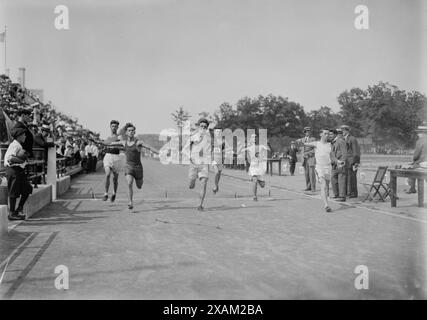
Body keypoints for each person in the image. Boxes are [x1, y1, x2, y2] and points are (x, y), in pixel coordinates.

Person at [4, 127, 33, 220]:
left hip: (18, 171)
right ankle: (12, 214)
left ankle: (18, 210)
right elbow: (10, 158)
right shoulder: (15, 145)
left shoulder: (18, 145)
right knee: (13, 192)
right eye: (23, 135)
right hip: (13, 170)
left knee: (27, 189)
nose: (25, 136)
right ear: (19, 136)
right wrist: (21, 160)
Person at [183, 118, 212, 210]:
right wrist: (189, 157)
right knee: (191, 184)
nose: (203, 127)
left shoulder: (209, 137)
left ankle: (200, 205)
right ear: (199, 126)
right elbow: (185, 148)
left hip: (204, 164)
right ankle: (192, 181)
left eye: (205, 126)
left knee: (204, 183)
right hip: (194, 162)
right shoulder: (193, 135)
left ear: (207, 128)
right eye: (201, 126)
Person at [304, 129, 333, 212]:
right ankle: (326, 205)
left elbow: (332, 156)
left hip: (328, 167)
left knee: (326, 186)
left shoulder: (329, 145)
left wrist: (338, 162)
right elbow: (305, 143)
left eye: (328, 134)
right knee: (323, 185)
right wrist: (299, 142)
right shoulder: (316, 143)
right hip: (320, 167)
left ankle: (326, 200)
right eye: (325, 133)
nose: (327, 135)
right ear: (321, 134)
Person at [239, 133, 270, 201]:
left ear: (257, 139)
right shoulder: (249, 147)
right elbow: (240, 151)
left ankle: (259, 181)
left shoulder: (261, 146)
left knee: (262, 185)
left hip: (260, 167)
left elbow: (269, 150)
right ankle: (254, 196)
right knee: (254, 181)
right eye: (253, 137)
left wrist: (267, 146)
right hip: (253, 166)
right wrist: (242, 147)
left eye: (256, 137)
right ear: (251, 139)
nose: (255, 139)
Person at [102, 120, 123, 202]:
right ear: (110, 127)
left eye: (115, 126)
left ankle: (114, 193)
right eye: (112, 126)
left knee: (115, 179)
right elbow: (104, 145)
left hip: (116, 158)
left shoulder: (119, 137)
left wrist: (115, 145)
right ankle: (106, 194)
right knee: (107, 175)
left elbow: (122, 146)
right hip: (108, 156)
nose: (114, 127)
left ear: (117, 127)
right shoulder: (107, 137)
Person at [406, 123, 427, 193]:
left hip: (422, 164)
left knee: (411, 170)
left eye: (418, 132)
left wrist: (414, 161)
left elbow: (416, 156)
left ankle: (412, 187)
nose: (417, 134)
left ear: (422, 133)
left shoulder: (420, 141)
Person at [341, 125, 361, 198]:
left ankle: (353, 193)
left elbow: (355, 151)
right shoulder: (343, 139)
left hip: (352, 161)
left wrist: (355, 162)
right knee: (346, 178)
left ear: (347, 131)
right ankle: (347, 192)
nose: (342, 132)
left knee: (352, 178)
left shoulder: (352, 139)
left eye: (343, 130)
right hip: (346, 162)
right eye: (342, 130)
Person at [329, 129, 347, 201]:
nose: (330, 136)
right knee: (333, 179)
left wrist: (342, 162)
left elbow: (344, 153)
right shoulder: (332, 142)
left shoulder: (340, 141)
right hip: (334, 164)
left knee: (341, 179)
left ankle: (342, 196)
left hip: (340, 163)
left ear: (335, 134)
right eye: (329, 135)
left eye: (331, 134)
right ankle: (336, 194)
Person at [296, 127, 316, 191]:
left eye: (309, 131)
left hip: (310, 158)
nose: (307, 133)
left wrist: (308, 153)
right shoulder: (302, 139)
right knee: (306, 174)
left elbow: (315, 149)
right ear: (304, 133)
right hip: (304, 159)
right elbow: (299, 148)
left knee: (311, 174)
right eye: (306, 132)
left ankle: (313, 187)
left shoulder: (313, 139)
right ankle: (308, 186)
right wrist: (297, 143)